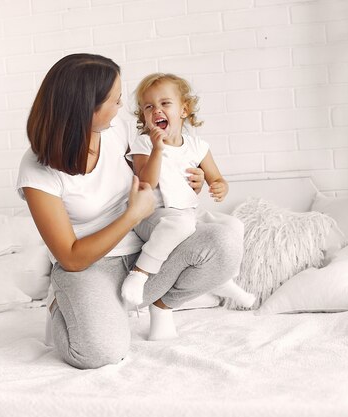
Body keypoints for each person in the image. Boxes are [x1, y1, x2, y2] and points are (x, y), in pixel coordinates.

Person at [17, 54, 244, 370]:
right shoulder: (36, 169)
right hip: (90, 266)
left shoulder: (118, 130)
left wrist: (197, 178)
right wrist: (131, 216)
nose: (122, 108)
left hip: (146, 252)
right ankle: (62, 304)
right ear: (87, 109)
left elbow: (159, 166)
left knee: (225, 242)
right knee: (99, 352)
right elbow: (70, 256)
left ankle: (153, 304)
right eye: (115, 100)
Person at [121, 73, 256, 313]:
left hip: (189, 214)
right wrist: (157, 149)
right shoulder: (143, 143)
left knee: (234, 225)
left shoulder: (197, 146)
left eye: (165, 103)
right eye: (149, 107)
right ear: (143, 115)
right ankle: (140, 273)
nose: (156, 111)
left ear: (184, 110)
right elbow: (146, 183)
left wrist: (219, 186)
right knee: (180, 224)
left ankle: (223, 279)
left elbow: (216, 177)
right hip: (152, 216)